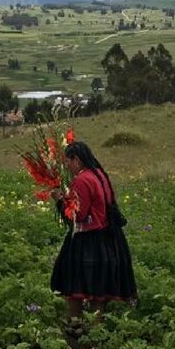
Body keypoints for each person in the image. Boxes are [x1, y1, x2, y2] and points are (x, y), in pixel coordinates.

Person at [49, 141, 136, 330]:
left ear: (77, 160)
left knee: (73, 284)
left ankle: (75, 325)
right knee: (99, 288)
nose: (67, 167)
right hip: (107, 237)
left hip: (88, 239)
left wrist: (59, 201)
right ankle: (96, 331)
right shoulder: (98, 175)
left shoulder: (82, 180)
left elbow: (77, 215)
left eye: (68, 162)